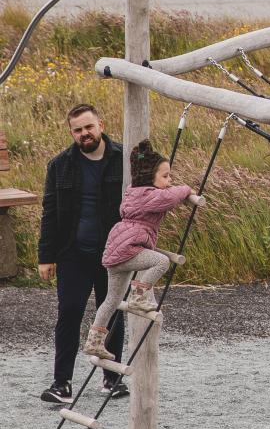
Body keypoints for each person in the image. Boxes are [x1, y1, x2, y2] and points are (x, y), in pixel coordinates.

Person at [38, 104, 127, 405]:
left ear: (100, 125)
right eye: (77, 129)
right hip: (72, 253)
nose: (84, 133)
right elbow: (49, 212)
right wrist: (45, 256)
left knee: (112, 312)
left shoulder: (124, 158)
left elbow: (147, 191)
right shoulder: (59, 165)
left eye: (88, 127)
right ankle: (61, 383)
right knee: (69, 314)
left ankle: (112, 377)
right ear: (71, 132)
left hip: (113, 252)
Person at [82, 140, 202, 360]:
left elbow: (167, 194)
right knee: (161, 261)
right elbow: (171, 196)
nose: (170, 180)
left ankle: (94, 341)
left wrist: (173, 187)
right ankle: (139, 295)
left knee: (112, 300)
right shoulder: (151, 196)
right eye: (165, 176)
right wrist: (187, 190)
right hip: (128, 249)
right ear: (150, 178)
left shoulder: (133, 191)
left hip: (116, 250)